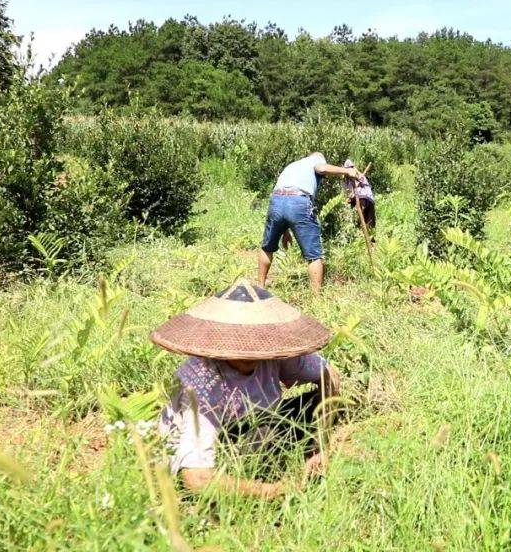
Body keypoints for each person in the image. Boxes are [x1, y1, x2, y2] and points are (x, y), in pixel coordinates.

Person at [151, 281, 341, 499]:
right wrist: (274, 491)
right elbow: (197, 479)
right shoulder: (202, 384)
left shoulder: (273, 350)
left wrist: (318, 444)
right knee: (266, 433)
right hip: (224, 447)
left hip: (261, 423)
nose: (249, 353)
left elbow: (329, 375)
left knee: (309, 404)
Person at [258, 152, 362, 293]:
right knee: (314, 256)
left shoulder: (294, 165)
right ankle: (316, 297)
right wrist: (347, 171)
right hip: (299, 202)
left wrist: (285, 230)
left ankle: (260, 286)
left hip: (276, 201)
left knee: (267, 248)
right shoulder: (316, 160)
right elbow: (321, 169)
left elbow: (285, 195)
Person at [342, 159, 376, 232]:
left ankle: (370, 239)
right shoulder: (346, 182)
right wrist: (349, 198)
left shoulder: (360, 176)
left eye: (351, 168)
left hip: (367, 199)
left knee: (370, 224)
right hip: (356, 200)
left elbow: (364, 184)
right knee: (359, 222)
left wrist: (359, 179)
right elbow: (348, 194)